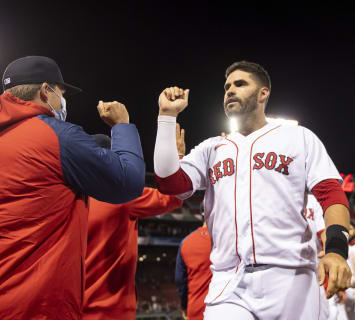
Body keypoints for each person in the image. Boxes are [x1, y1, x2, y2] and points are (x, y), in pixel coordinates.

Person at [153, 60, 351, 319]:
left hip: (291, 279)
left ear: (263, 93)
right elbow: (168, 182)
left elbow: (332, 195)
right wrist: (167, 117)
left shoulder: (299, 137)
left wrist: (337, 250)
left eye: (240, 84)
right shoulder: (211, 148)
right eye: (226, 87)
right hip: (228, 282)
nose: (230, 90)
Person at [0, 56, 145, 319]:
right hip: (38, 306)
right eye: (61, 93)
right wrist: (122, 126)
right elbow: (129, 182)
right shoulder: (55, 135)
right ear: (45, 91)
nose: (62, 101)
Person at [83, 132, 183, 320]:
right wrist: (176, 159)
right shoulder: (120, 194)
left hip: (70, 307)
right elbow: (175, 196)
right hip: (112, 310)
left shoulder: (68, 195)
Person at [175, 220, 212, 320]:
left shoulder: (185, 242)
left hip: (195, 310)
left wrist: (184, 307)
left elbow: (180, 282)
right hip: (223, 309)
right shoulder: (227, 240)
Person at [305, 193, 329, 320]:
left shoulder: (312, 201)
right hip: (282, 266)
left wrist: (329, 249)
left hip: (313, 269)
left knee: (321, 315)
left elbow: (323, 231)